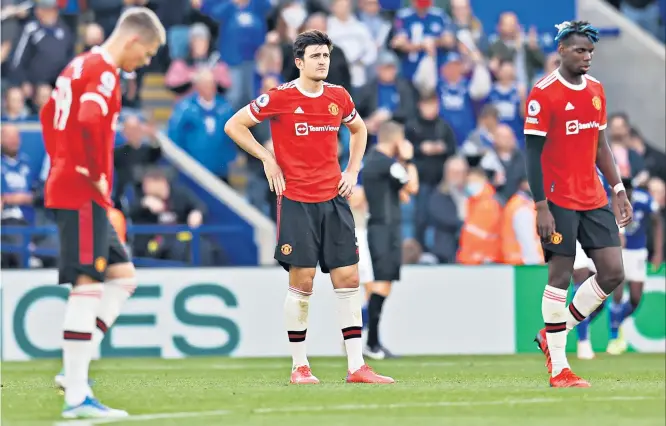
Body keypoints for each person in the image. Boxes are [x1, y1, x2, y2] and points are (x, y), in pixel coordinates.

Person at [224, 29, 394, 385]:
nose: (322, 62)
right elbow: (234, 125)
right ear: (299, 62)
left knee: (348, 278)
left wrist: (352, 170)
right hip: (297, 199)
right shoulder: (281, 97)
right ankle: (300, 366)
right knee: (302, 282)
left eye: (326, 56)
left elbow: (359, 130)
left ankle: (356, 367)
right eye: (315, 56)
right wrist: (267, 158)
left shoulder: (338, 96)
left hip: (334, 199)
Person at [40, 7, 165, 418]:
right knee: (87, 285)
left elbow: (47, 114)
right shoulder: (105, 71)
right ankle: (77, 395)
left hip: (72, 184)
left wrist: (60, 157)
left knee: (123, 278)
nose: (143, 65)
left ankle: (74, 369)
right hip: (80, 190)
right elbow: (91, 116)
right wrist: (92, 172)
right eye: (145, 55)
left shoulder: (77, 65)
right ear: (132, 40)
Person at [523, 21, 633, 388]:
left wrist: (618, 188)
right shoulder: (543, 94)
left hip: (593, 195)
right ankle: (559, 369)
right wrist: (541, 206)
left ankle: (554, 333)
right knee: (560, 276)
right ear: (561, 51)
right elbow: (532, 155)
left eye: (590, 52)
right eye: (579, 51)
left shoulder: (597, 91)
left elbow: (601, 146)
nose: (586, 57)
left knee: (613, 272)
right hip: (557, 199)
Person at [362, 121, 419, 359]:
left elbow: (402, 193)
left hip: (381, 228)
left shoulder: (374, 163)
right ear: (396, 141)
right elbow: (412, 187)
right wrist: (409, 160)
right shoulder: (388, 164)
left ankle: (372, 340)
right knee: (381, 284)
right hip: (385, 230)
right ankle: (371, 342)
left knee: (382, 284)